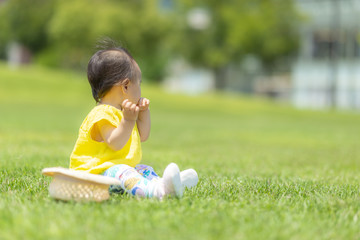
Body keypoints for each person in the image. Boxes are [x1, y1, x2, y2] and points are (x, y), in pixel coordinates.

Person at [69, 41, 198, 199]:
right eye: (139, 84)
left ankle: (164, 183)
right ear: (125, 86)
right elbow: (115, 143)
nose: (140, 89)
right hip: (94, 176)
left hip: (115, 173)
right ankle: (159, 192)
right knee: (124, 171)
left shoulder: (123, 113)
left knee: (144, 169)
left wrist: (143, 113)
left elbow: (143, 136)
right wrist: (129, 121)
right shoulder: (101, 114)